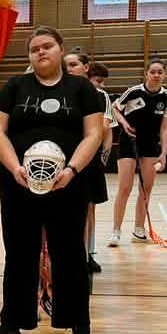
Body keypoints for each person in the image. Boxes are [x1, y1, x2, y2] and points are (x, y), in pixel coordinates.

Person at [0, 27, 102, 334]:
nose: (41, 52)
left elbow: (93, 133)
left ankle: (78, 323)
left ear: (61, 49)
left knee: (71, 253)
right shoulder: (15, 86)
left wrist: (72, 170)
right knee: (19, 253)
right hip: (19, 185)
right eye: (34, 48)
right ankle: (12, 323)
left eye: (47, 46)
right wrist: (15, 168)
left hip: (68, 185)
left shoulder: (81, 88)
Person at [108, 59, 167, 246]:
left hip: (151, 145)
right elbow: (114, 108)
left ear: (164, 74)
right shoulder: (134, 92)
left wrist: (164, 153)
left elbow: (164, 127)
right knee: (125, 187)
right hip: (129, 142)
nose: (156, 75)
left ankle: (138, 230)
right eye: (152, 72)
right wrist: (123, 123)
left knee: (146, 188)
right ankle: (116, 231)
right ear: (146, 74)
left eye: (160, 72)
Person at [64, 51, 110, 276]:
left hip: (89, 159)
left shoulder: (99, 95)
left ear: (86, 67)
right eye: (66, 65)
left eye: (73, 64)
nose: (69, 69)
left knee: (89, 207)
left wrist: (102, 155)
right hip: (65, 158)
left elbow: (104, 127)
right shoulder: (60, 92)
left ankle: (88, 253)